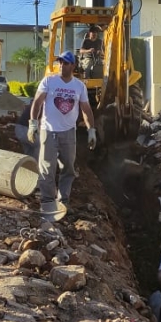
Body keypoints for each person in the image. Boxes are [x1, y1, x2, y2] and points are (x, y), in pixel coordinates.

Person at [27, 50, 97, 216]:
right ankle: (47, 202)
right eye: (60, 62)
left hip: (68, 133)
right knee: (47, 168)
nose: (61, 65)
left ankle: (63, 201)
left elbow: (86, 110)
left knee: (68, 168)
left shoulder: (79, 86)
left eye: (65, 63)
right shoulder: (49, 81)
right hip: (48, 130)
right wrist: (33, 123)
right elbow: (37, 103)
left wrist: (91, 130)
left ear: (73, 65)